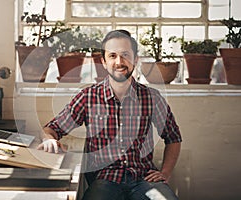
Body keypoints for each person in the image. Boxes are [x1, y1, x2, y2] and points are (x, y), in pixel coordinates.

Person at [37, 30, 182, 200]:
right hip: (104, 180)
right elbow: (51, 129)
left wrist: (165, 173)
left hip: (144, 179)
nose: (119, 62)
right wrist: (49, 140)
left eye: (125, 55)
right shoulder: (87, 97)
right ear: (104, 62)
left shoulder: (152, 98)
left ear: (135, 60)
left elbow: (173, 138)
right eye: (112, 56)